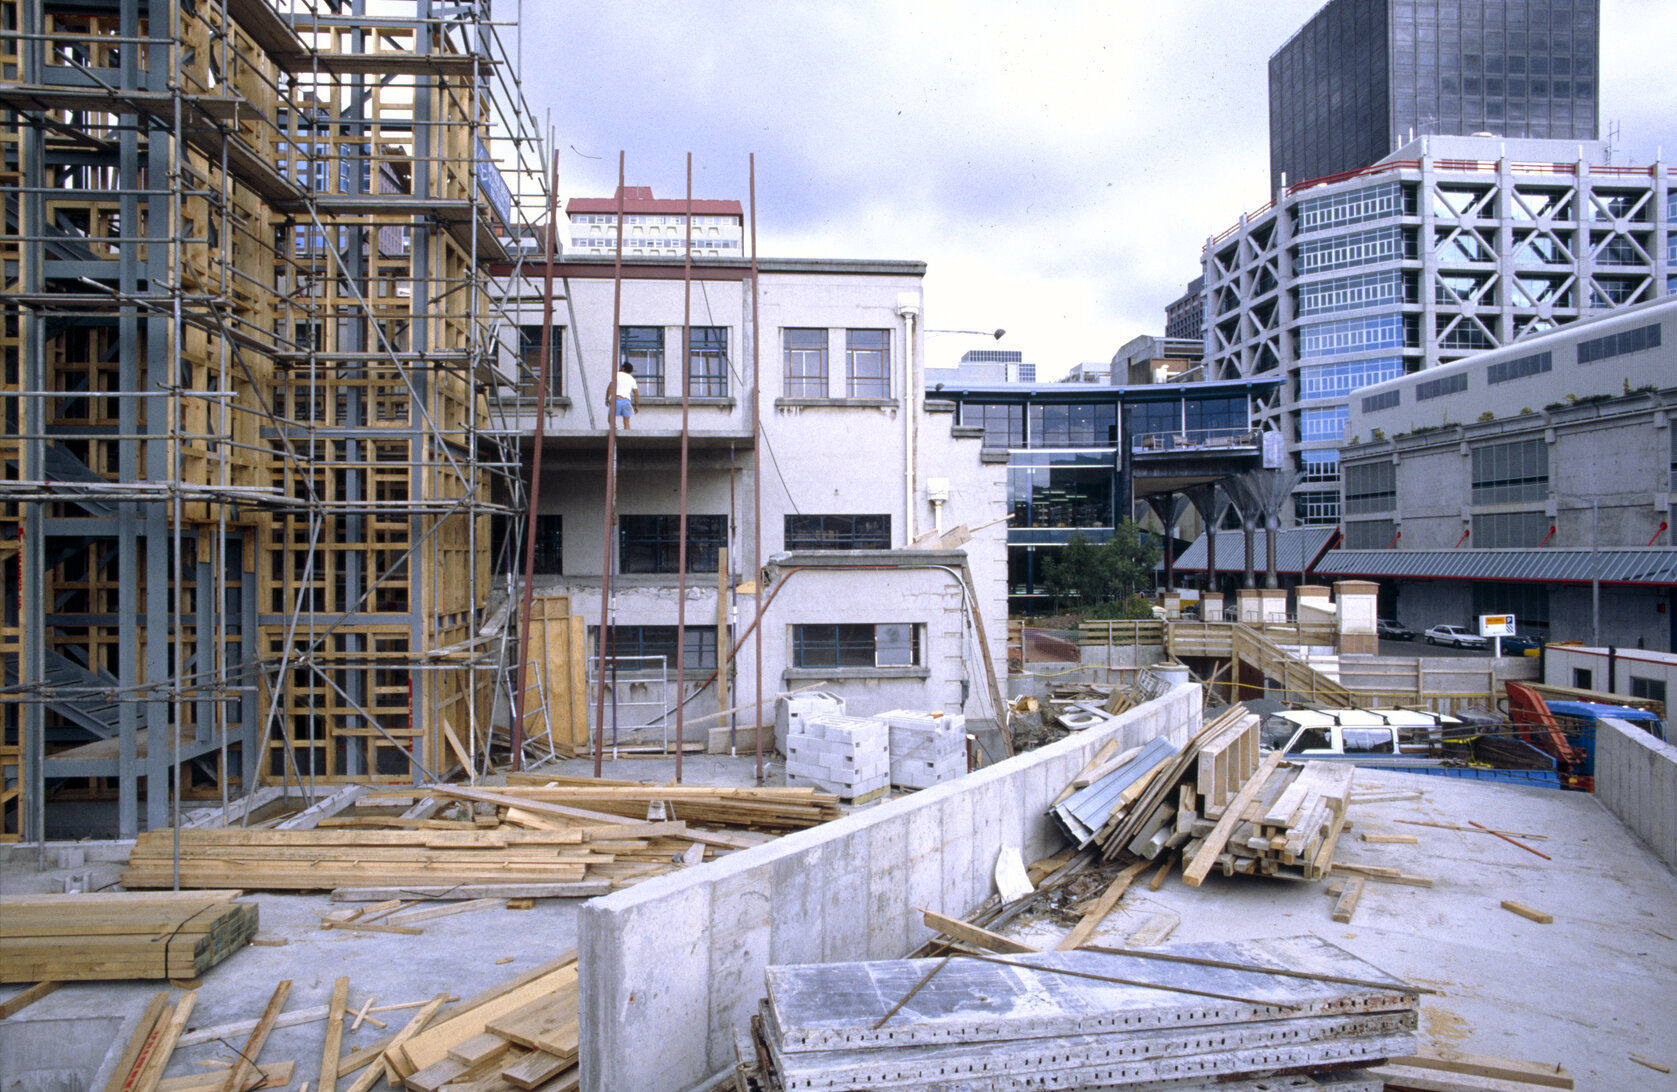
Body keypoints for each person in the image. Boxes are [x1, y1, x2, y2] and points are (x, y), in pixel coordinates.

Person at [608, 361, 638, 430]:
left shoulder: (617, 374)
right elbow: (636, 393)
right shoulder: (632, 379)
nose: (620, 367)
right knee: (626, 422)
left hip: (616, 400)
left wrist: (607, 398)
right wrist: (636, 406)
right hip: (627, 402)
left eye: (621, 366)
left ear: (623, 368)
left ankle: (615, 433)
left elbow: (610, 387)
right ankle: (627, 438)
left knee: (610, 420)